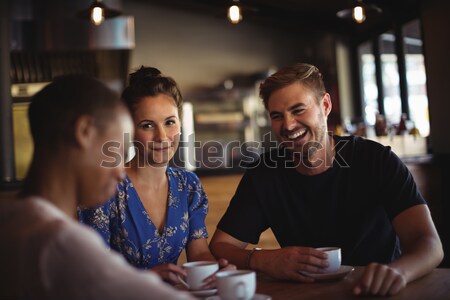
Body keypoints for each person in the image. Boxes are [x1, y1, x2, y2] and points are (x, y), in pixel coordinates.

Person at [210, 63, 444, 297]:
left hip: (378, 293)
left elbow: (429, 244)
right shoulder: (264, 173)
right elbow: (220, 246)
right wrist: (262, 259)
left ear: (325, 105)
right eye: (277, 116)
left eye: (298, 110)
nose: (288, 125)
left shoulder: (376, 160)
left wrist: (400, 272)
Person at [0, 75, 193, 299]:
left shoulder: (10, 221)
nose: (121, 172)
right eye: (117, 153)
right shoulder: (62, 244)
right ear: (84, 131)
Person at [78, 66, 234, 287]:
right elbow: (89, 273)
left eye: (170, 122)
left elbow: (199, 254)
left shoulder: (188, 186)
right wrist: (144, 280)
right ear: (129, 129)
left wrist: (218, 271)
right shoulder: (103, 188)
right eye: (148, 125)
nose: (162, 137)